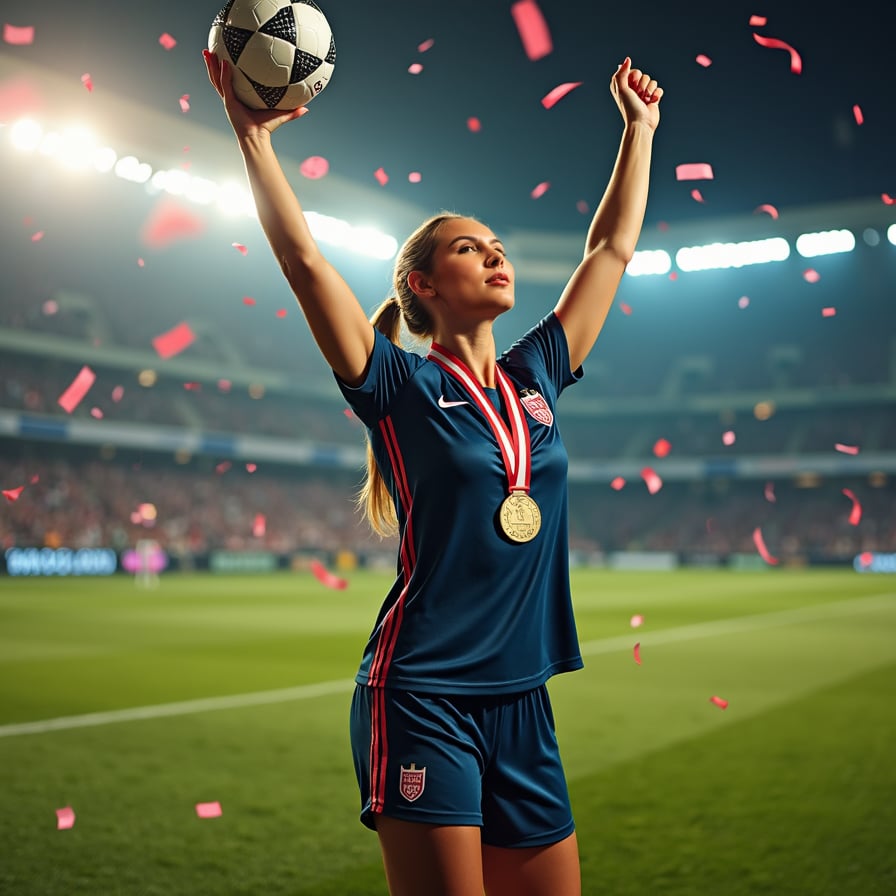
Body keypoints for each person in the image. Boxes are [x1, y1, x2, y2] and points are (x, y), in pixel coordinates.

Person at [203, 47, 662, 896]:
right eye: (468, 249)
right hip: (423, 696)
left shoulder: (536, 377)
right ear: (423, 283)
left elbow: (611, 249)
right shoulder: (400, 385)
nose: (495, 256)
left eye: (497, 245)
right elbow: (306, 264)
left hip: (524, 699)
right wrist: (251, 136)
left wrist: (639, 132)